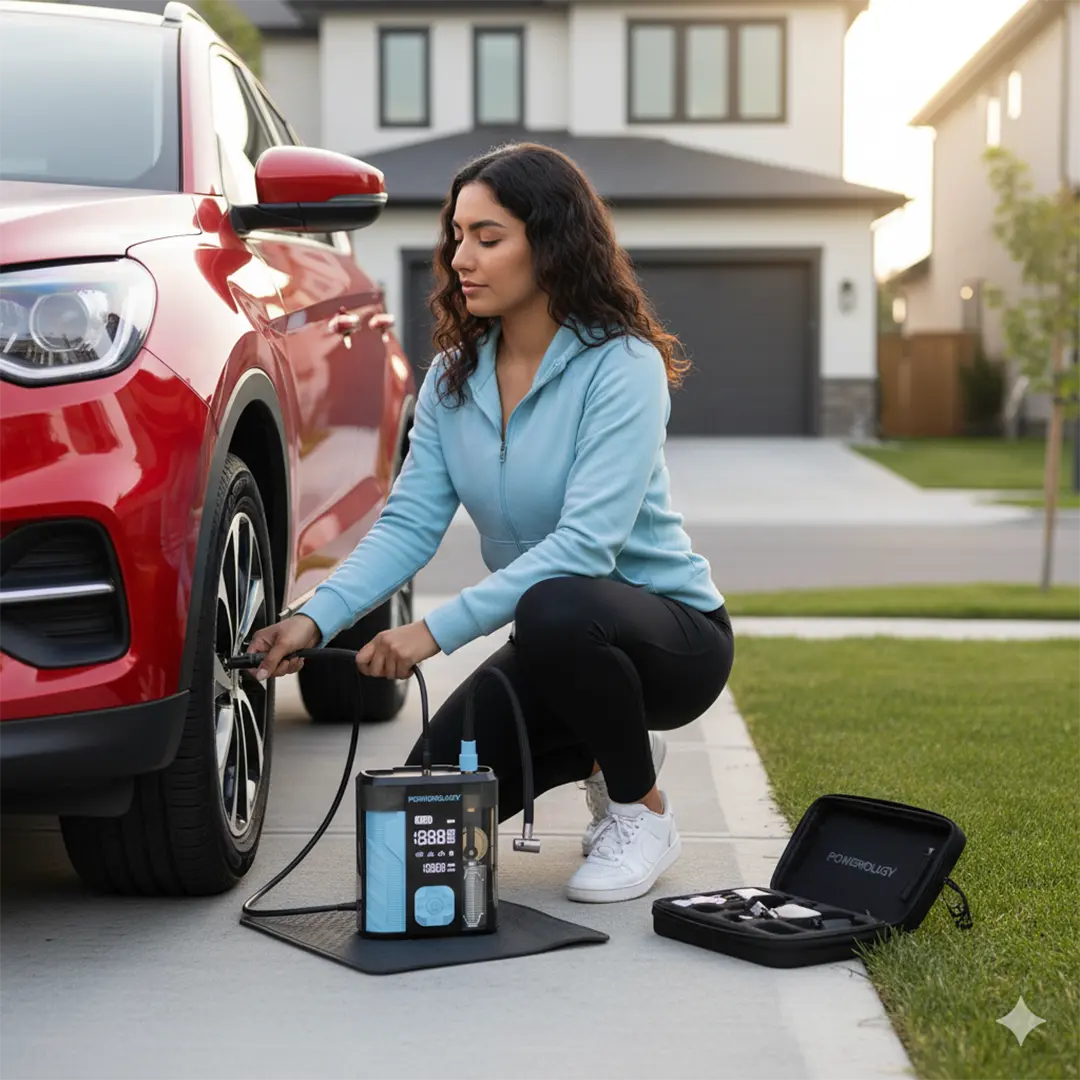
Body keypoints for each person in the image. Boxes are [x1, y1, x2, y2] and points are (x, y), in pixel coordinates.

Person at [249, 142, 735, 904]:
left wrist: (430, 634)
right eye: (457, 235)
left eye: (488, 236)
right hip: (556, 643)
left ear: (552, 243)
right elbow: (408, 525)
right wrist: (313, 623)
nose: (461, 257)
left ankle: (639, 808)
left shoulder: (623, 365)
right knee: (418, 824)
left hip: (669, 641)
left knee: (559, 604)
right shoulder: (451, 379)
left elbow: (586, 546)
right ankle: (612, 744)